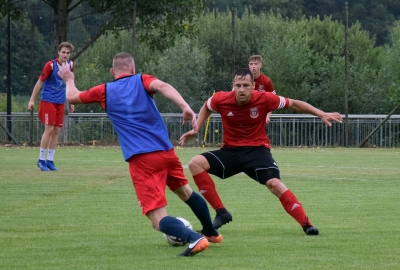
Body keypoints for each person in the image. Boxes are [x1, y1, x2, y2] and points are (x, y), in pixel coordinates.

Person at [57, 52, 222, 257]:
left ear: (112, 71)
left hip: (143, 159)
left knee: (157, 219)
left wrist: (69, 79)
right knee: (185, 192)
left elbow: (72, 96)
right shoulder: (143, 80)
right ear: (133, 69)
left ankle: (194, 238)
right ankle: (211, 232)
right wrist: (185, 106)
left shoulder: (104, 91)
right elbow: (163, 86)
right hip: (166, 153)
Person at [179, 68, 343, 236]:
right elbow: (207, 105)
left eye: (245, 85)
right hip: (231, 152)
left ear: (253, 86)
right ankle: (221, 212)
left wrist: (320, 113)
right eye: (238, 85)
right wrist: (196, 129)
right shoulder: (221, 98)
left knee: (275, 184)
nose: (241, 89)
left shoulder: (264, 98)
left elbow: (294, 103)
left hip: (257, 151)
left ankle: (307, 225)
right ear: (233, 86)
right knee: (195, 164)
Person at [28, 42, 75, 171]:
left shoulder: (70, 65)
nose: (65, 55)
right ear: (59, 52)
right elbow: (40, 82)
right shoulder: (50, 65)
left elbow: (69, 83)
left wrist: (71, 101)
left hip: (60, 102)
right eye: (63, 52)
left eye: (68, 53)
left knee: (56, 131)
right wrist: (32, 99)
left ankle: (50, 160)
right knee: (49, 130)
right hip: (48, 100)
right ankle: (41, 160)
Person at [248, 55, 275, 123]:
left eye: (256, 64)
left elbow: (273, 99)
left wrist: (268, 115)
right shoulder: (243, 80)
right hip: (246, 114)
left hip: (261, 116)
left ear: (260, 65)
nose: (253, 66)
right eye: (251, 64)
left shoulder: (266, 81)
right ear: (249, 66)